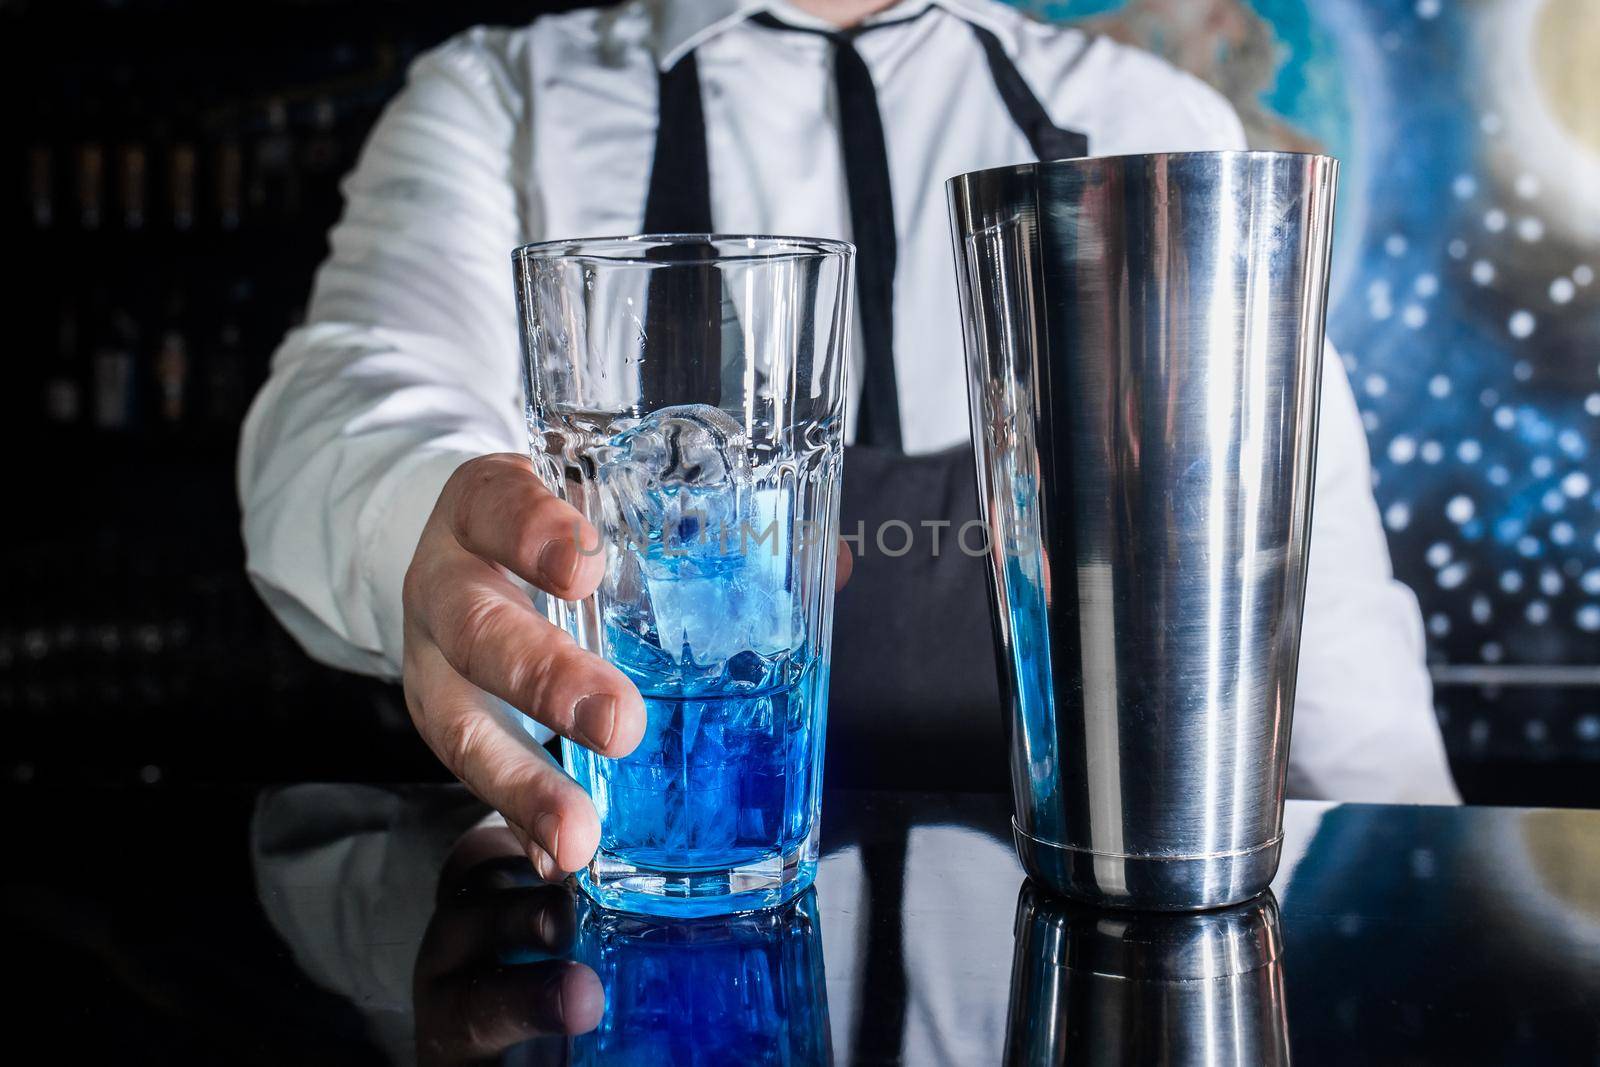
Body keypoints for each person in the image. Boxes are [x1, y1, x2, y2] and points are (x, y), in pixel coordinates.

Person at [239, 0, 1460, 884]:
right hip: (642, 924)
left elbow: (1309, 610)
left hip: (1077, 955)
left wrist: (1420, 893)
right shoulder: (508, 95)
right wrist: (426, 510)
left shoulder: (1151, 117)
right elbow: (351, 389)